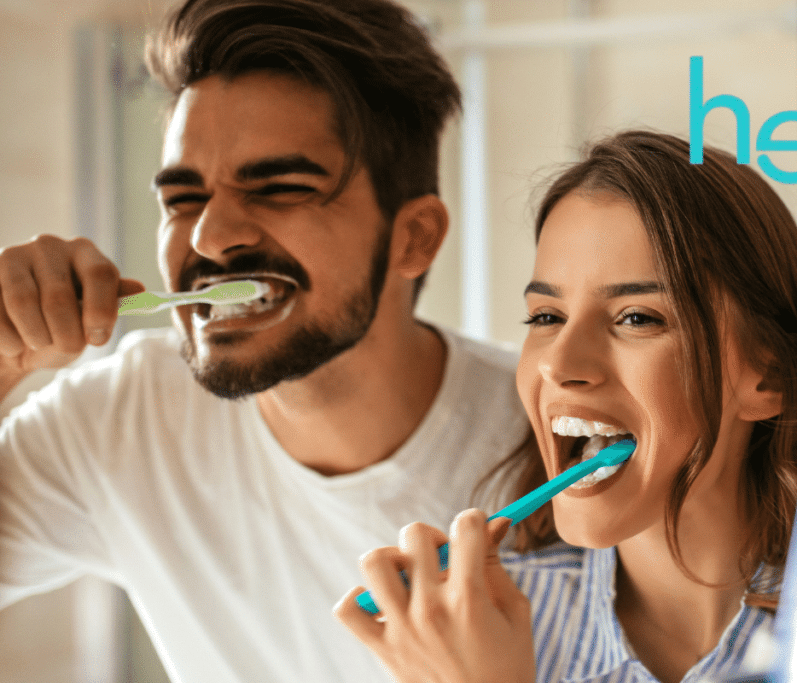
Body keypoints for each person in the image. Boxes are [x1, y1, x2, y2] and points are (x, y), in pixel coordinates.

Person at [0, 1, 529, 682]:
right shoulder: (123, 418)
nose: (210, 237)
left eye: (279, 188)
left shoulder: (555, 449)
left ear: (414, 237)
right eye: (183, 199)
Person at [336, 131, 797, 683]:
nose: (559, 363)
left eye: (637, 318)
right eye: (546, 318)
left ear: (767, 376)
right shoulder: (460, 640)